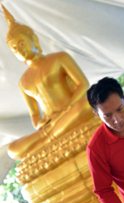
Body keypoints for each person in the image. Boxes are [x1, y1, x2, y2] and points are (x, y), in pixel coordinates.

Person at [1, 5, 93, 159]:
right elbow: (34, 113)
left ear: (33, 40)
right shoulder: (23, 82)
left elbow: (83, 84)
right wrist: (40, 124)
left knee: (86, 103)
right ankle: (50, 137)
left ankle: (45, 144)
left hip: (71, 110)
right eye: (15, 49)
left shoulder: (59, 58)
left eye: (21, 43)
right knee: (12, 150)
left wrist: (66, 108)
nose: (19, 50)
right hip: (50, 123)